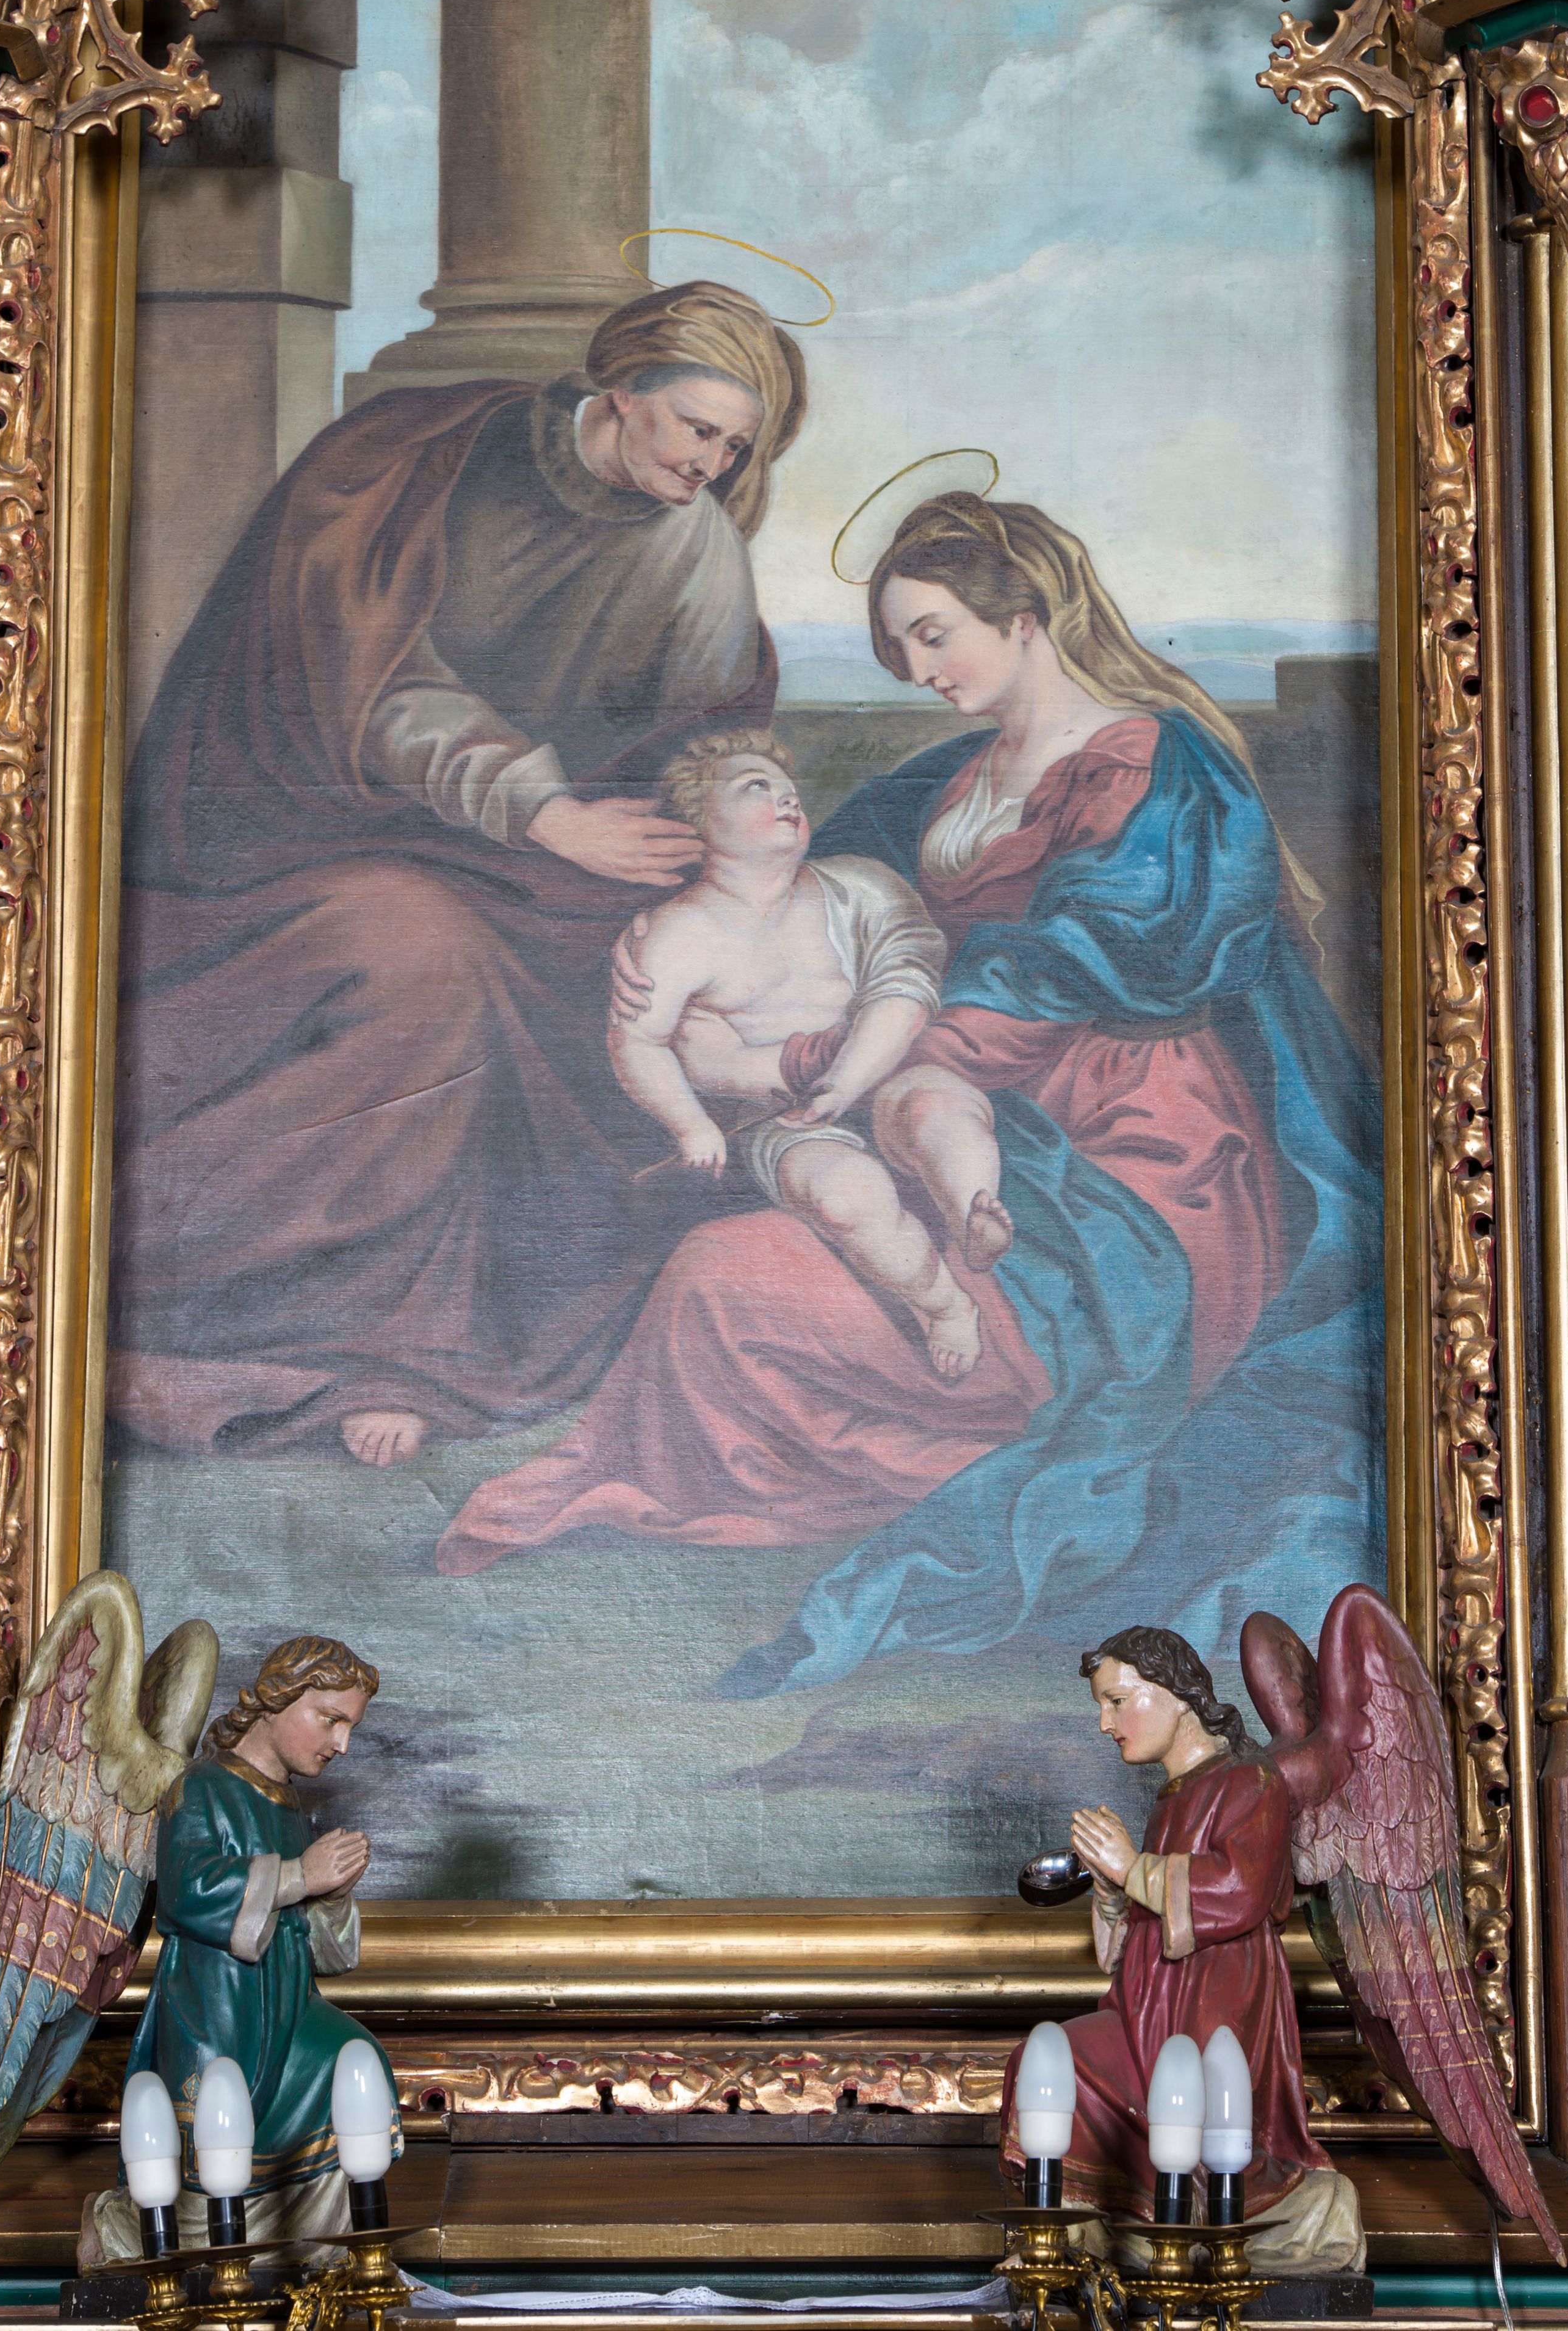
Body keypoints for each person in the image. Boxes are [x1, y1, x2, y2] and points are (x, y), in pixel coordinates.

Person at [440, 491, 1381, 1664]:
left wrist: (799, 1062)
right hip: (939, 1111)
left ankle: (1009, 1417)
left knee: (762, 1284)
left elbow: (1079, 964)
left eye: (935, 635)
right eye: (901, 650)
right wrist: (677, 954)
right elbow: (796, 908)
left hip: (1135, 1161)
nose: (922, 670)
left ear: (1024, 616)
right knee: (718, 1279)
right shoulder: (944, 782)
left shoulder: (1157, 767)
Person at [107, 280, 806, 1469]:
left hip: (532, 878)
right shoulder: (406, 464)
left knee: (633, 983)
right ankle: (222, 1313)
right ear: (619, 388)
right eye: (698, 428)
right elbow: (361, 684)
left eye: (735, 448)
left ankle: (396, 1342)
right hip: (299, 836)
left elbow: (692, 750)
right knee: (417, 958)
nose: (712, 465)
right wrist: (543, 811)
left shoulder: (696, 552)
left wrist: (669, 850)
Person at [608, 730, 977, 1376]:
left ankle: (978, 1215)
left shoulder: (861, 885)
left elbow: (909, 975)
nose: (786, 798)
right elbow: (638, 1041)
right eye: (756, 787)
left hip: (890, 1073)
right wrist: (689, 1123)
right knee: (845, 1197)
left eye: (788, 788)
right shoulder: (677, 932)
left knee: (946, 1116)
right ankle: (945, 1304)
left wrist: (847, 1081)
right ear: (701, 819)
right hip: (786, 1118)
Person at [997, 1625, 1360, 2271]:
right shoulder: (1175, 1795)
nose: (1105, 1723)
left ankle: (1189, 2225)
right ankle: (1075, 2242)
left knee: (1201, 2118)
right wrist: (1114, 1888)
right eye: (1102, 1706)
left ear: (1176, 1693)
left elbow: (1239, 1891)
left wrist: (1134, 1866)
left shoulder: (1251, 1781)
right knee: (1045, 2066)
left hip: (1214, 2005)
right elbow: (1146, 1925)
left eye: (1117, 1701)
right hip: (1150, 2003)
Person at [82, 1636, 397, 2266]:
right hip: (218, 2011)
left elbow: (318, 1946)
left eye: (350, 1727)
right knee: (211, 2170)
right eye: (330, 1719)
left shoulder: (289, 1805)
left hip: (288, 2008)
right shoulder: (201, 1787)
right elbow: (187, 1892)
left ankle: (328, 2255)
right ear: (278, 1699)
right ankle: (126, 2235)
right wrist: (300, 1875)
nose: (341, 1744)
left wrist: (330, 1895)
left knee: (352, 2066)